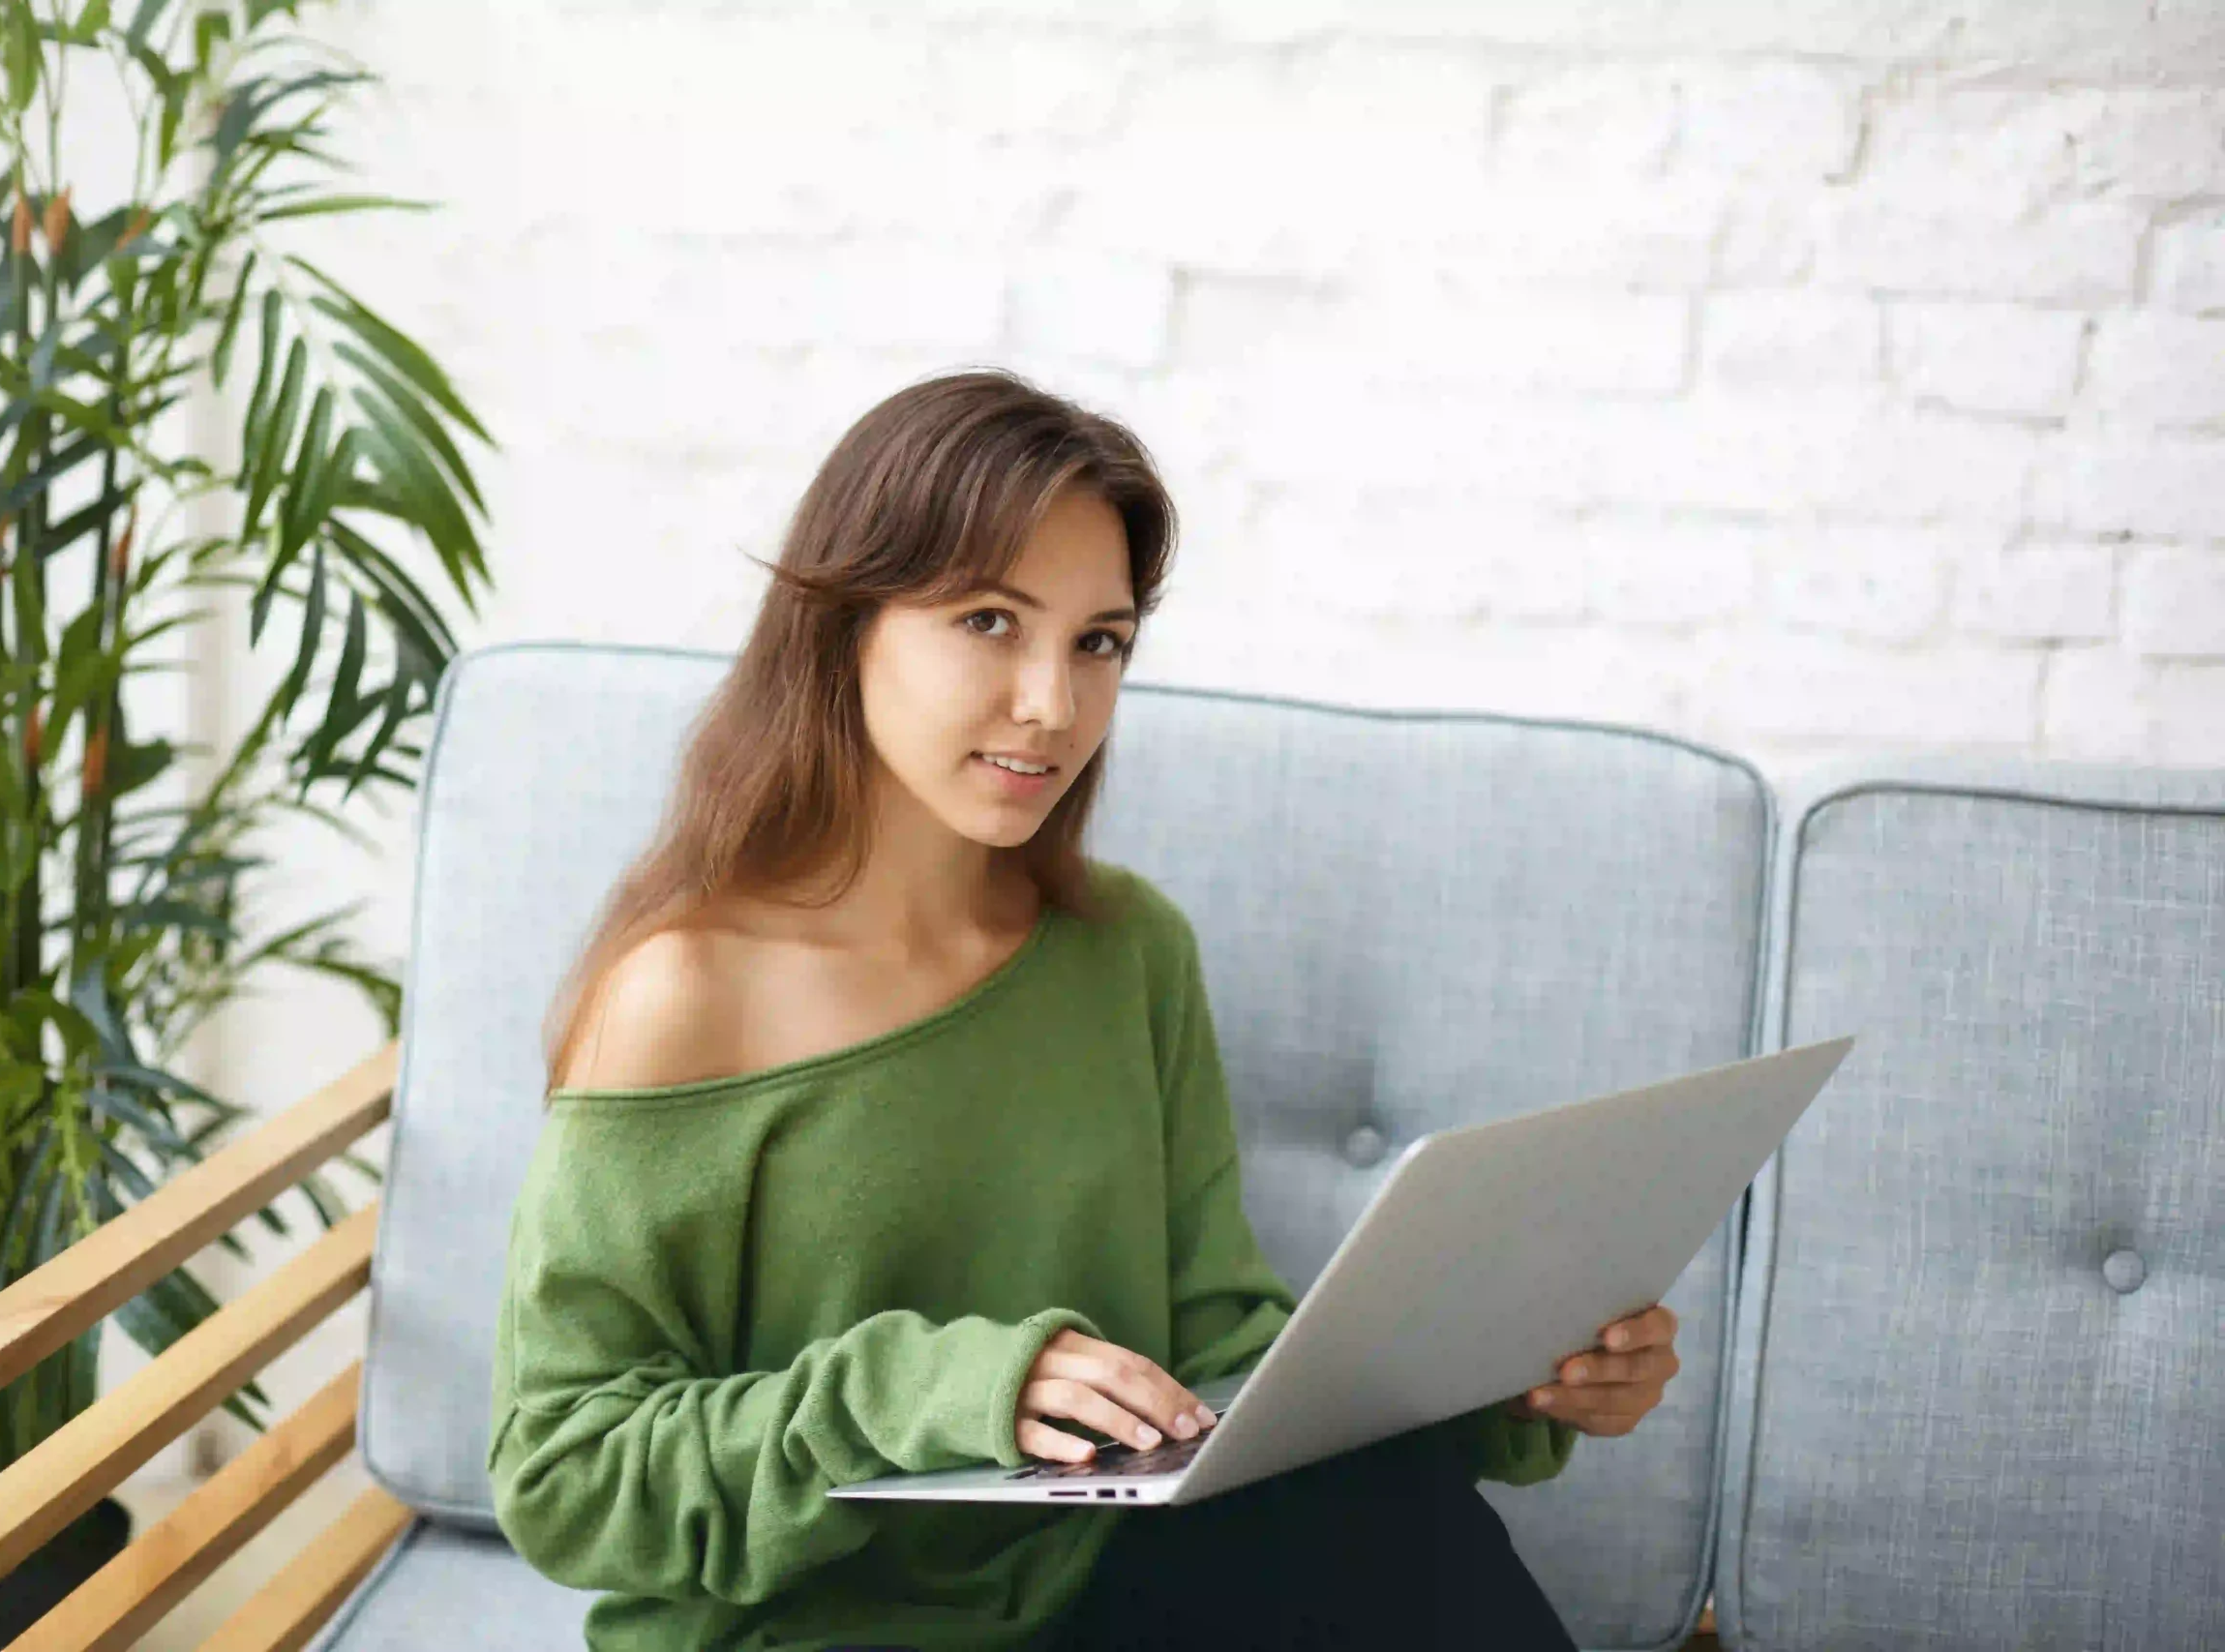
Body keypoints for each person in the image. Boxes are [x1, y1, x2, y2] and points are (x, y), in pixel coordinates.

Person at [488, 369, 1682, 1650]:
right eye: (991, 621)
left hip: (1099, 1591)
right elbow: (566, 1475)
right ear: (845, 623)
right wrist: (930, 1389)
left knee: (1374, 1496)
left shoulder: (1128, 952)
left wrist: (1516, 1383)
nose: (1053, 704)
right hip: (812, 1631)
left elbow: (1225, 1354)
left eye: (1098, 641)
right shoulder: (685, 992)